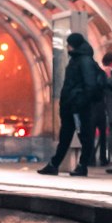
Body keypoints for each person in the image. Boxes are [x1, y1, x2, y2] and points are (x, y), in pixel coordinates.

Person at [40, 33, 104, 176]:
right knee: (65, 136)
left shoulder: (84, 60)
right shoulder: (76, 59)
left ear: (74, 45)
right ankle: (54, 164)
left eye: (68, 44)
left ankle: (82, 165)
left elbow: (90, 85)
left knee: (85, 136)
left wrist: (80, 102)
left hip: (79, 107)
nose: (67, 47)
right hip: (71, 107)